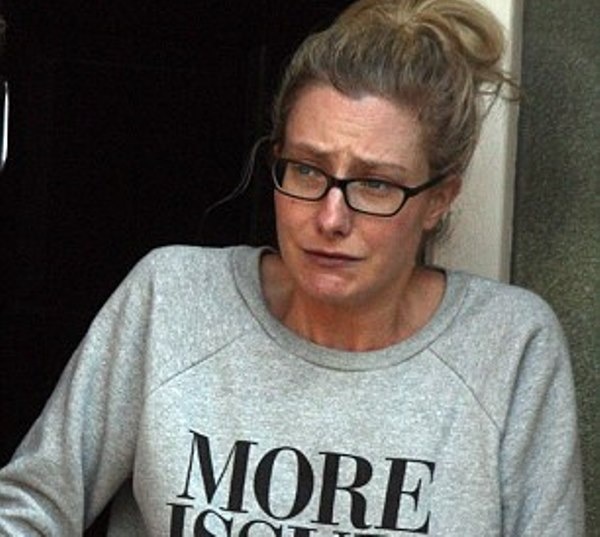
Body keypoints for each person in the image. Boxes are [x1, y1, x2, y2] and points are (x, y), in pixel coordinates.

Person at [0, 0, 585, 535]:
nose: (331, 217)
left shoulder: (507, 347)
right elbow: (31, 506)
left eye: (375, 184)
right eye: (307, 170)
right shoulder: (173, 300)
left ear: (438, 199)